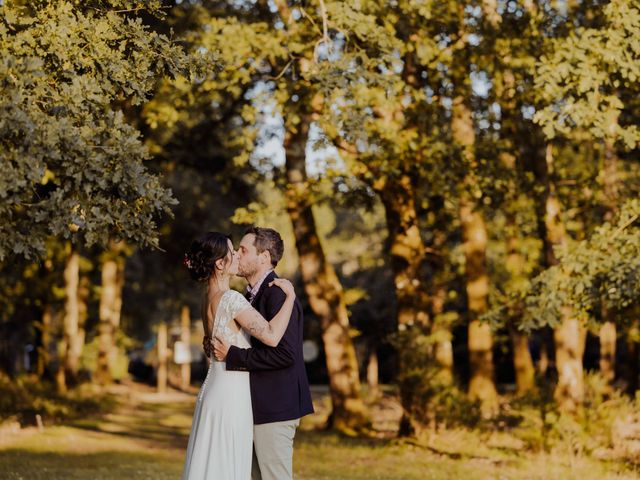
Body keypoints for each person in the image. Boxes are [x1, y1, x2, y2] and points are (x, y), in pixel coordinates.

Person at [181, 232, 296, 480]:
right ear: (220, 263)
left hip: (214, 387)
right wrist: (291, 298)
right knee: (226, 465)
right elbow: (272, 336)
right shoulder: (231, 299)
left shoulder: (207, 299)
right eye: (233, 252)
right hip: (231, 395)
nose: (236, 256)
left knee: (213, 464)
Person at [211, 227, 314, 480]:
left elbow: (286, 354)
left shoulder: (277, 294)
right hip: (255, 407)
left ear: (264, 257)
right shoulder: (249, 296)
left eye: (244, 250)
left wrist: (233, 356)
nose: (237, 255)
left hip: (276, 407)